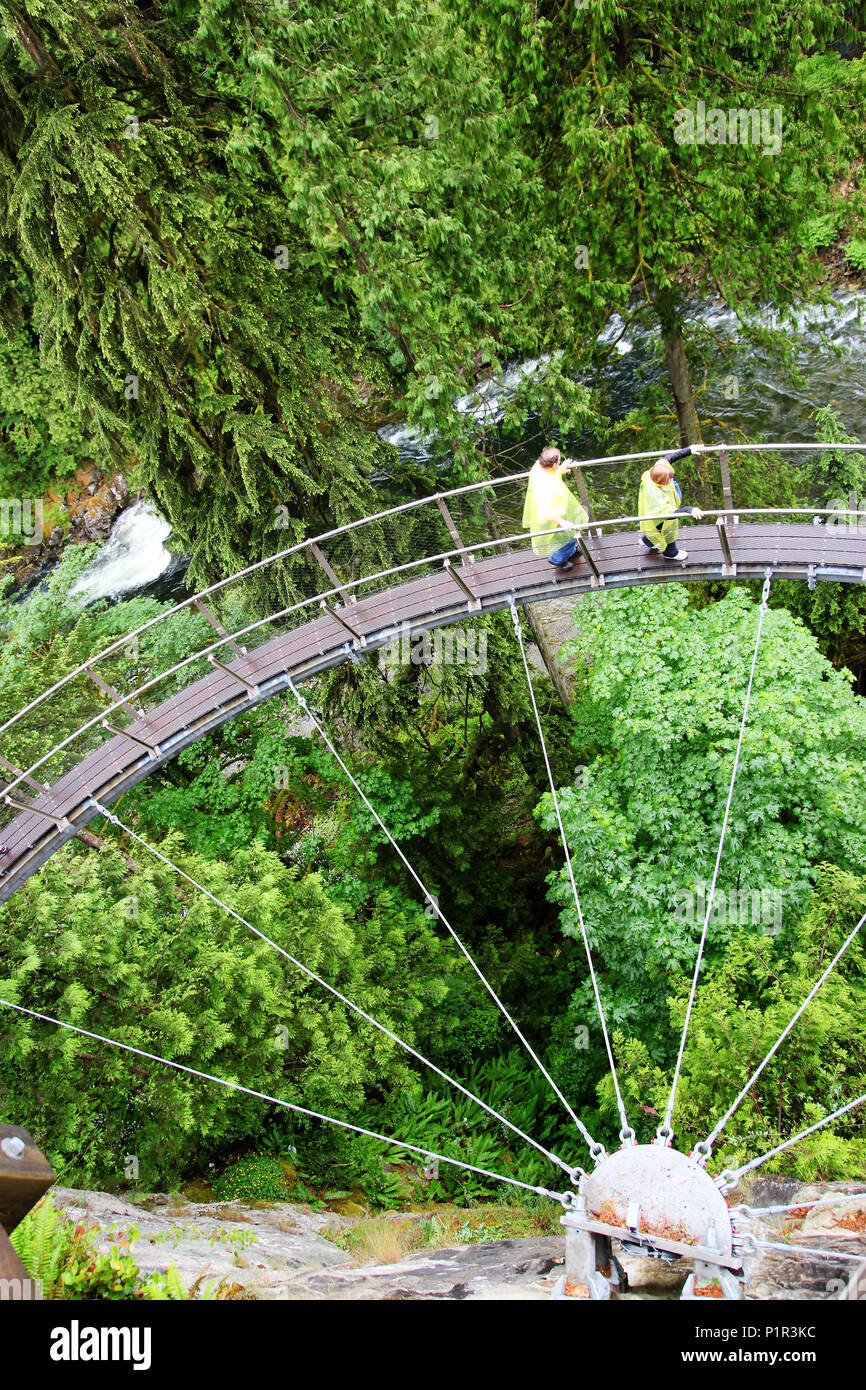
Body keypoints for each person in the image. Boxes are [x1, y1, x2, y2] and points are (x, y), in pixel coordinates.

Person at [522, 446, 589, 572]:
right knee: (566, 536)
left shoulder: (539, 467)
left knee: (568, 535)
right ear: (553, 464)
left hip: (557, 511)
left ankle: (571, 552)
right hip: (553, 518)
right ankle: (557, 559)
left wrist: (559, 470)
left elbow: (550, 474)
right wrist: (562, 522)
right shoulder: (546, 485)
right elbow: (544, 512)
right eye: (558, 461)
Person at [638, 448, 702, 560]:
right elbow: (668, 514)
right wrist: (689, 510)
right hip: (658, 515)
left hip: (652, 512)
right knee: (667, 530)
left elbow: (669, 458)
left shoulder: (655, 472)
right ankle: (670, 553)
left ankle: (648, 541)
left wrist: (689, 450)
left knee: (653, 530)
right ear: (662, 482)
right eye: (670, 479)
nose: (672, 480)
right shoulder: (654, 494)